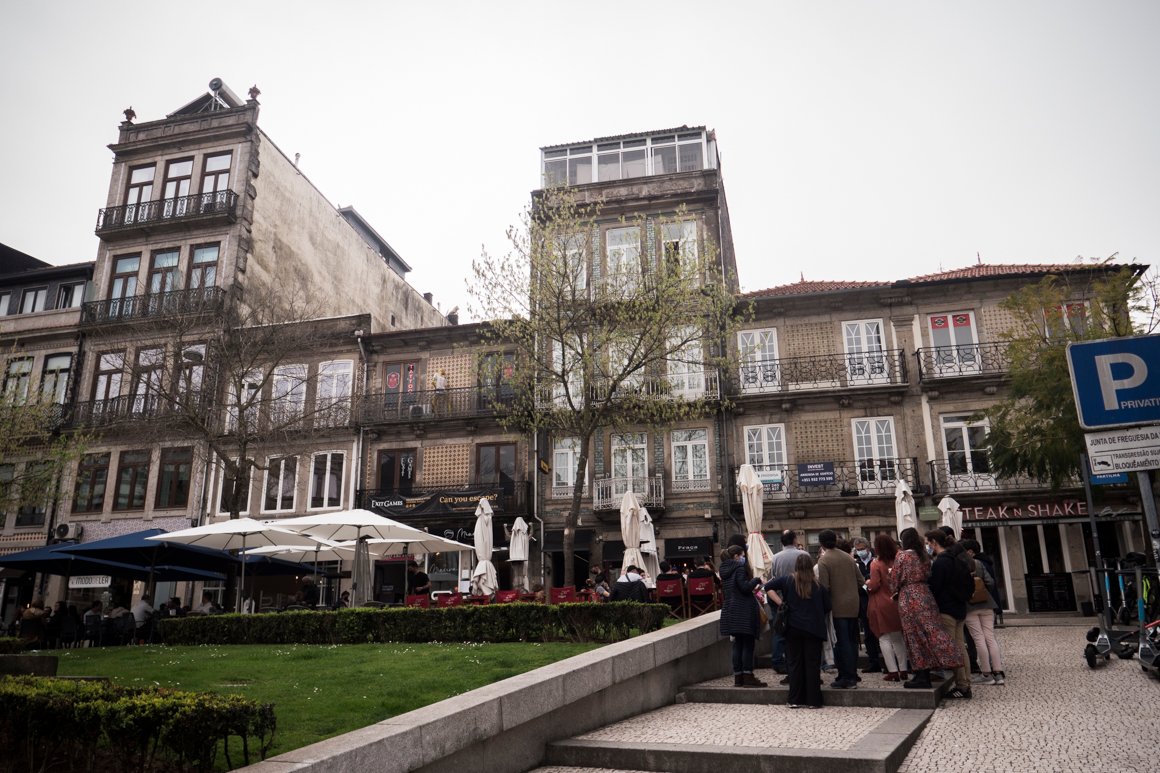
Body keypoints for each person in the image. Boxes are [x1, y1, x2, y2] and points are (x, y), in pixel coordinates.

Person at [892, 528, 961, 689]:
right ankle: (941, 663)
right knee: (929, 632)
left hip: (909, 597)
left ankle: (921, 674)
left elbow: (894, 579)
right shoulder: (924, 556)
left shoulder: (902, 556)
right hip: (926, 595)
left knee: (913, 635)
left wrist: (896, 589)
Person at [765, 553, 830, 708]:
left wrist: (781, 603)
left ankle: (794, 699)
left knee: (794, 663)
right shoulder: (819, 586)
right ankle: (813, 700)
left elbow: (768, 587)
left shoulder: (788, 580)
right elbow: (827, 607)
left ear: (796, 566)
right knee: (812, 664)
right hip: (813, 629)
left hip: (793, 627)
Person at [926, 529, 972, 699]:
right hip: (960, 608)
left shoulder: (940, 562)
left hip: (947, 609)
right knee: (961, 647)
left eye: (927, 542)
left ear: (933, 543)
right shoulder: (957, 559)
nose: (927, 546)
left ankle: (962, 686)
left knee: (953, 649)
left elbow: (935, 587)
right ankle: (965, 683)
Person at [816, 529, 862, 689]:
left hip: (837, 606)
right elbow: (861, 580)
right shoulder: (848, 558)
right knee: (852, 641)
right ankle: (852, 673)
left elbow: (824, 587)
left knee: (841, 643)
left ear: (821, 543)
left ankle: (847, 677)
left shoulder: (824, 561)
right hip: (853, 605)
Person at [719, 544, 766, 687]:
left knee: (737, 644)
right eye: (742, 555)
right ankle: (748, 676)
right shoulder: (739, 569)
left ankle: (738, 677)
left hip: (731, 610)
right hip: (743, 610)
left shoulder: (724, 570)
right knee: (747, 644)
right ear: (736, 556)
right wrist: (757, 580)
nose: (744, 558)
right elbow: (745, 588)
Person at [961, 539, 1006, 686]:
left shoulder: (959, 566)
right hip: (987, 604)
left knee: (978, 639)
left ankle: (986, 674)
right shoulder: (978, 563)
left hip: (970, 607)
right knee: (990, 638)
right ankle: (998, 673)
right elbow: (991, 582)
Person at [867, 534, 909, 681]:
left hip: (881, 602)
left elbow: (874, 585)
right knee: (898, 637)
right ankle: (904, 669)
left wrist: (867, 584)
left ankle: (892, 671)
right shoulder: (899, 559)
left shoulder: (875, 563)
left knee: (884, 638)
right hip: (897, 601)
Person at [768, 530, 810, 675]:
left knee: (779, 629)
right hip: (802, 597)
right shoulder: (804, 555)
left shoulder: (775, 557)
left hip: (780, 599)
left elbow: (772, 578)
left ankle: (778, 660)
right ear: (794, 540)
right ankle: (799, 660)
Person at [852, 537, 882, 673]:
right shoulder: (855, 562)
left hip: (878, 598)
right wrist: (866, 586)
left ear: (868, 548)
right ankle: (873, 661)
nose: (860, 552)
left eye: (862, 549)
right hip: (864, 600)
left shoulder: (876, 560)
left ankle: (886, 660)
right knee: (868, 632)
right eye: (857, 550)